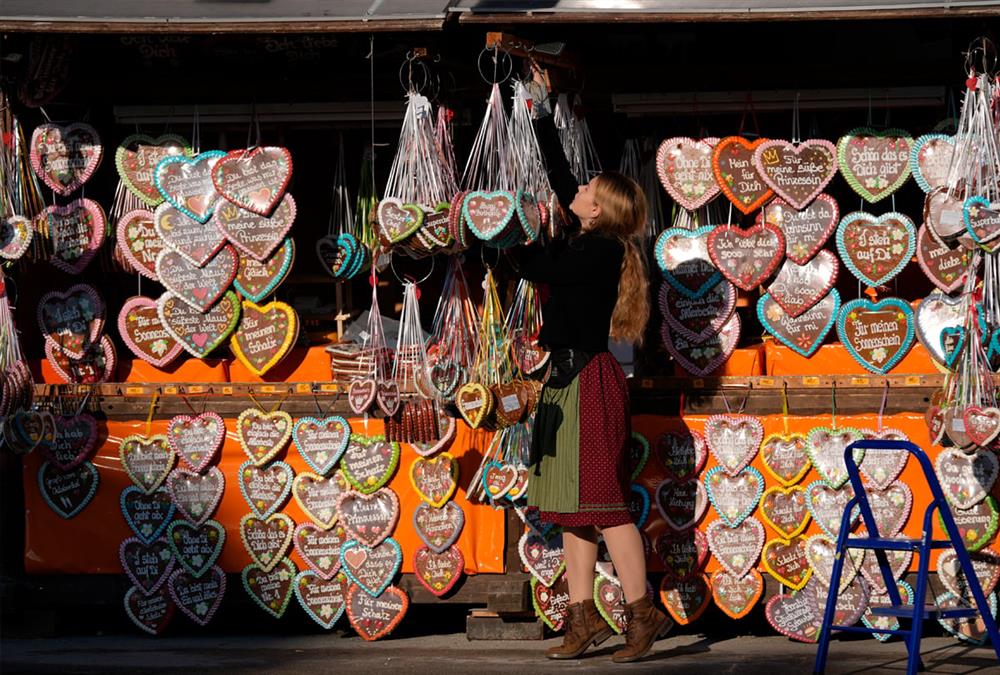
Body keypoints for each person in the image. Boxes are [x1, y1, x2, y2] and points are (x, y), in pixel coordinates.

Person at [508, 64, 671, 663]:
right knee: (568, 510)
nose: (573, 193)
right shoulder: (588, 239)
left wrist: (500, 237)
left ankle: (641, 612)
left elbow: (538, 268)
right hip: (562, 381)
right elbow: (559, 173)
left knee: (604, 506)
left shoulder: (599, 253)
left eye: (584, 192)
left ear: (598, 210)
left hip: (589, 383)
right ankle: (582, 621)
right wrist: (540, 109)